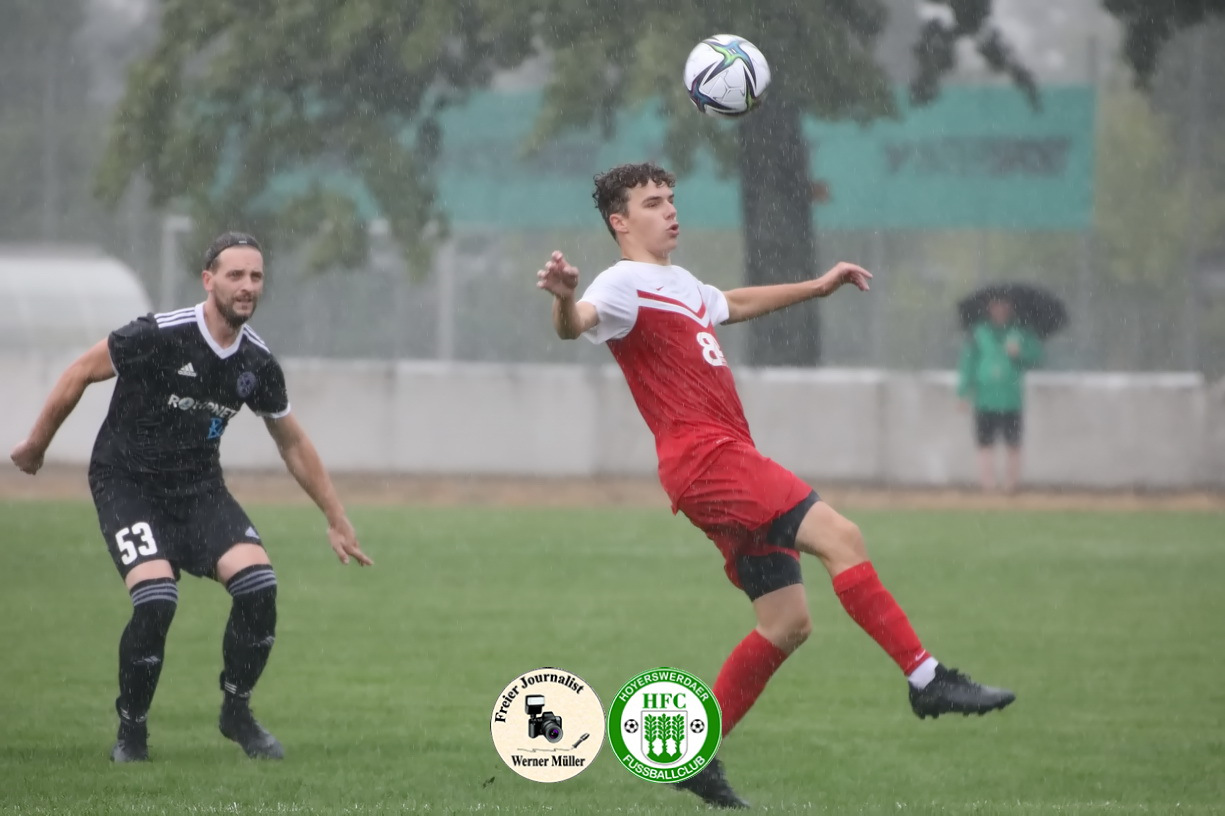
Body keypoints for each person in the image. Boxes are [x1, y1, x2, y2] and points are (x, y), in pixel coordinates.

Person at [536, 163, 1015, 809]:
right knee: (842, 537)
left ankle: (693, 751)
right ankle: (927, 679)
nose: (670, 210)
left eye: (671, 199)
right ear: (619, 221)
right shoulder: (620, 284)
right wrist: (564, 299)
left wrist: (817, 287)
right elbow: (576, 323)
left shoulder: (680, 283)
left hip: (717, 464)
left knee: (786, 622)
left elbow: (733, 303)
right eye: (652, 203)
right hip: (710, 461)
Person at [9, 231, 372, 763]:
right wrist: (36, 445)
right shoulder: (160, 335)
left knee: (259, 588)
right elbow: (81, 372)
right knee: (156, 599)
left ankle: (236, 711)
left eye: (256, 276)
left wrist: (336, 517)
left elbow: (291, 440)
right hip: (127, 483)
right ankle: (132, 732)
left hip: (198, 490)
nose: (247, 286)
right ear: (208, 280)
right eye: (235, 275)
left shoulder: (256, 362)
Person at [956, 296, 1043, 494]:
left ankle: (1011, 485)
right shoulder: (978, 333)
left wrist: (1019, 353)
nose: (1000, 309)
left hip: (1011, 399)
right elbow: (968, 364)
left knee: (1013, 443)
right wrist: (963, 393)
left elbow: (1036, 357)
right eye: (996, 305)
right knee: (984, 443)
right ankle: (988, 485)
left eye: (1004, 305)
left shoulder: (1020, 332)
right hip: (985, 399)